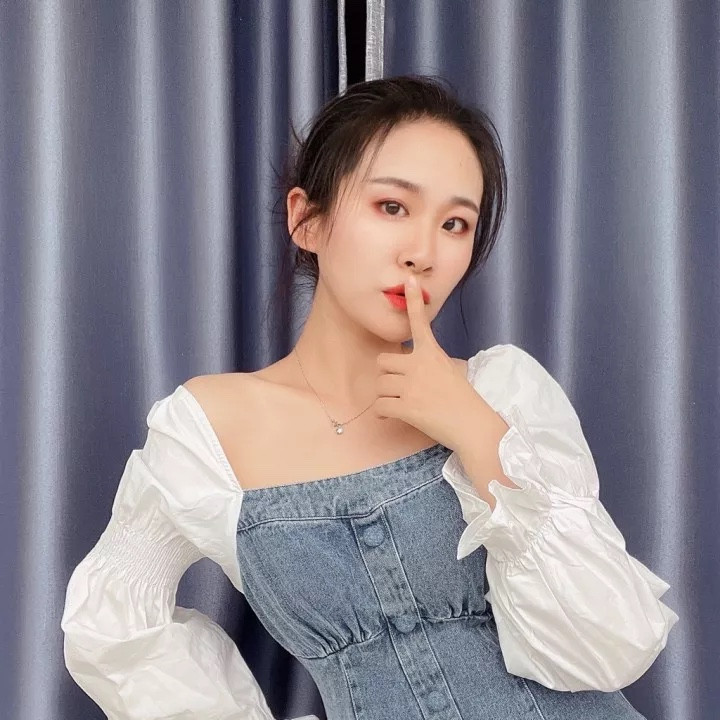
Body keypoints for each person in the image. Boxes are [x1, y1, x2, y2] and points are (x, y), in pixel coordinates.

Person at [61, 74, 679, 719]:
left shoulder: (502, 393)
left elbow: (611, 648)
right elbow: (113, 627)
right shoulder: (205, 432)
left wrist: (475, 430)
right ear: (306, 219)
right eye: (392, 207)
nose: (422, 253)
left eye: (455, 224)